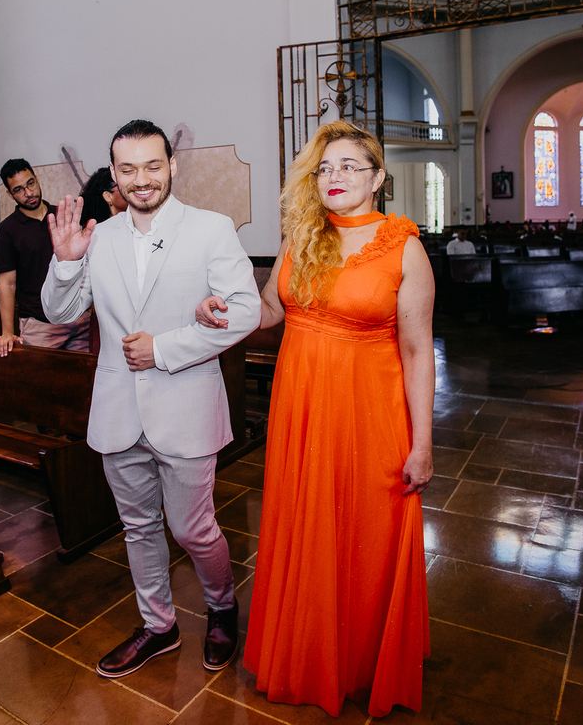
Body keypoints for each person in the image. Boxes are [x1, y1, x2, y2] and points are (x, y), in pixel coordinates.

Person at [197, 120, 434, 716]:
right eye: (325, 168)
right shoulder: (302, 236)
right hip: (300, 407)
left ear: (378, 178)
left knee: (364, 533)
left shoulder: (403, 247)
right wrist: (222, 311)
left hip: (369, 412)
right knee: (305, 525)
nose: (334, 176)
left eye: (349, 165)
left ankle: (360, 660)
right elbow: (270, 309)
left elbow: (416, 351)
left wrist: (423, 443)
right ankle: (306, 653)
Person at [42, 119, 259, 678]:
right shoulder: (100, 236)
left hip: (185, 405)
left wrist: (162, 349)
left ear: (172, 166)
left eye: (153, 165)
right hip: (118, 409)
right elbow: (60, 312)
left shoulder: (210, 229)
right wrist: (66, 262)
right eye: (129, 169)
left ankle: (221, 607)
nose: (142, 179)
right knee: (137, 527)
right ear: (114, 176)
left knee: (192, 529)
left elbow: (246, 311)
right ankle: (158, 625)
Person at [0, 159, 91, 356]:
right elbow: (8, 283)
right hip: (40, 324)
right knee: (38, 375)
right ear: (10, 194)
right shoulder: (6, 231)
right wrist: (7, 332)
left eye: (30, 183)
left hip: (78, 319)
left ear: (37, 180)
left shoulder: (62, 217)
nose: (28, 193)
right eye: (19, 190)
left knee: (86, 374)